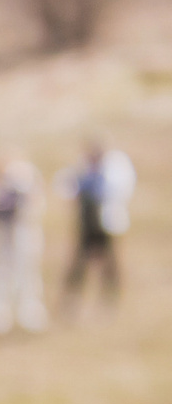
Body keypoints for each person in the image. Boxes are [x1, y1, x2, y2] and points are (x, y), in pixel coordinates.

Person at [58, 137, 135, 319]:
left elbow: (117, 190)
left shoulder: (115, 166)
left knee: (110, 264)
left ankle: (109, 302)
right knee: (79, 263)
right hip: (88, 223)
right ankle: (72, 302)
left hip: (108, 224)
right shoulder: (83, 168)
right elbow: (68, 187)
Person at [0, 155, 46, 334]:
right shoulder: (0, 189)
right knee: (1, 275)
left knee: (27, 276)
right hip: (4, 237)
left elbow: (29, 206)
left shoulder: (22, 185)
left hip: (22, 235)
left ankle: (30, 315)